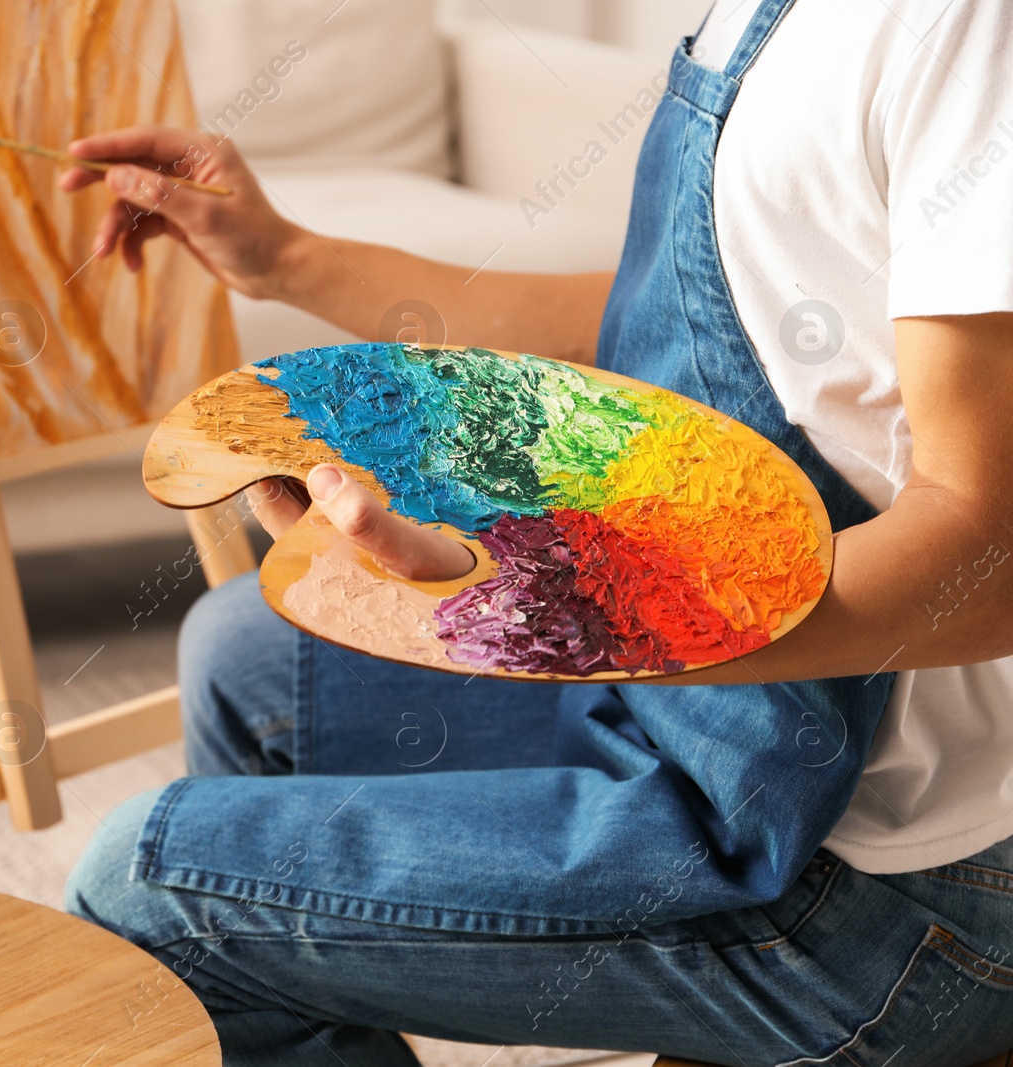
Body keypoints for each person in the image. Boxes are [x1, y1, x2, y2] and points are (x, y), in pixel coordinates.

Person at [60, 1, 1013, 1063]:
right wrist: (286, 257)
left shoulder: (960, 35)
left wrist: (529, 606)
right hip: (702, 714)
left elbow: (988, 556)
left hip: (886, 866)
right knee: (248, 661)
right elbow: (670, 332)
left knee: (142, 882)